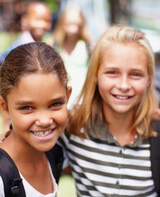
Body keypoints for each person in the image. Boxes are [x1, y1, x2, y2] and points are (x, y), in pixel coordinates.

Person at [58, 25, 160, 196]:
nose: (123, 85)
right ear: (95, 75)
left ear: (149, 79)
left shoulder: (156, 133)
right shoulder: (72, 126)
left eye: (136, 74)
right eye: (112, 72)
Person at [0, 42, 72, 196]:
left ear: (68, 97)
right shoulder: (3, 176)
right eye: (27, 107)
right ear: (4, 107)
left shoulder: (56, 152)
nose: (44, 120)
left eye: (55, 104)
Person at [47, 5, 93, 108]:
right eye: (69, 23)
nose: (73, 28)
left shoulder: (88, 45)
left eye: (76, 24)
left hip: (81, 99)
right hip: (60, 97)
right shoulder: (53, 44)